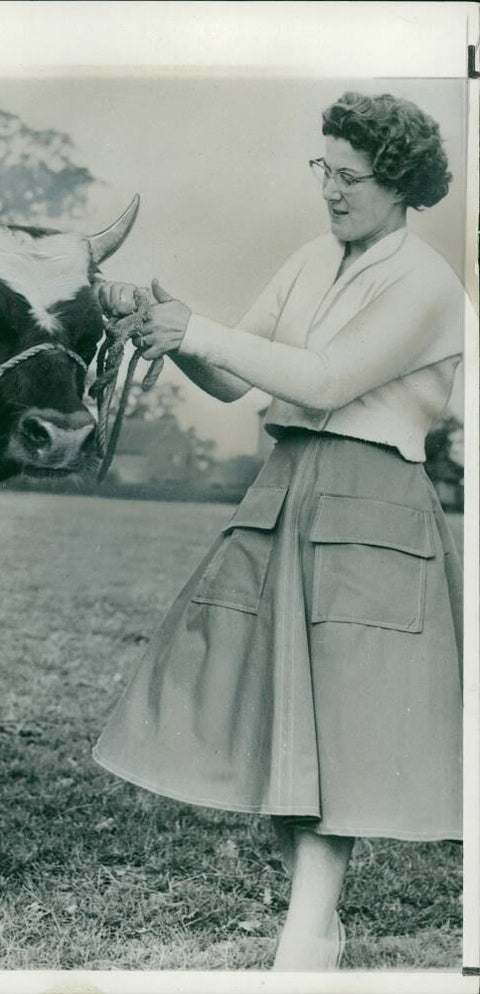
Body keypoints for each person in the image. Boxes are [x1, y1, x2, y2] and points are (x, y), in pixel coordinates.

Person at [92, 91, 467, 970]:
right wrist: (168, 328)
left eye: (351, 177)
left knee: (337, 727)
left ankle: (307, 935)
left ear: (401, 183)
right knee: (268, 709)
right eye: (322, 170)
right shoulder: (310, 260)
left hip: (371, 508)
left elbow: (329, 379)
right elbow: (233, 380)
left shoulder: (428, 283)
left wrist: (203, 329)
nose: (331, 191)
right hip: (285, 487)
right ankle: (319, 927)